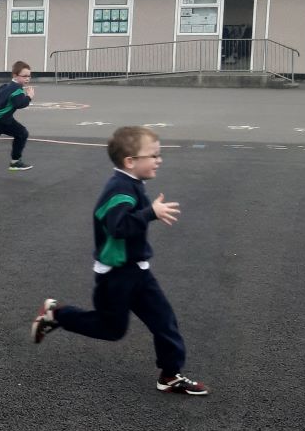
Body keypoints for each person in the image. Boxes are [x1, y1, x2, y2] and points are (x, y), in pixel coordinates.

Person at [31, 125, 207, 395]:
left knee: (164, 321)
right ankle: (56, 314)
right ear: (130, 161)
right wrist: (150, 213)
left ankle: (170, 375)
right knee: (111, 329)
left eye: (159, 155)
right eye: (153, 155)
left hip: (138, 271)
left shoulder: (132, 184)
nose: (159, 160)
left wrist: (149, 212)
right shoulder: (119, 190)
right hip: (116, 275)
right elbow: (118, 227)